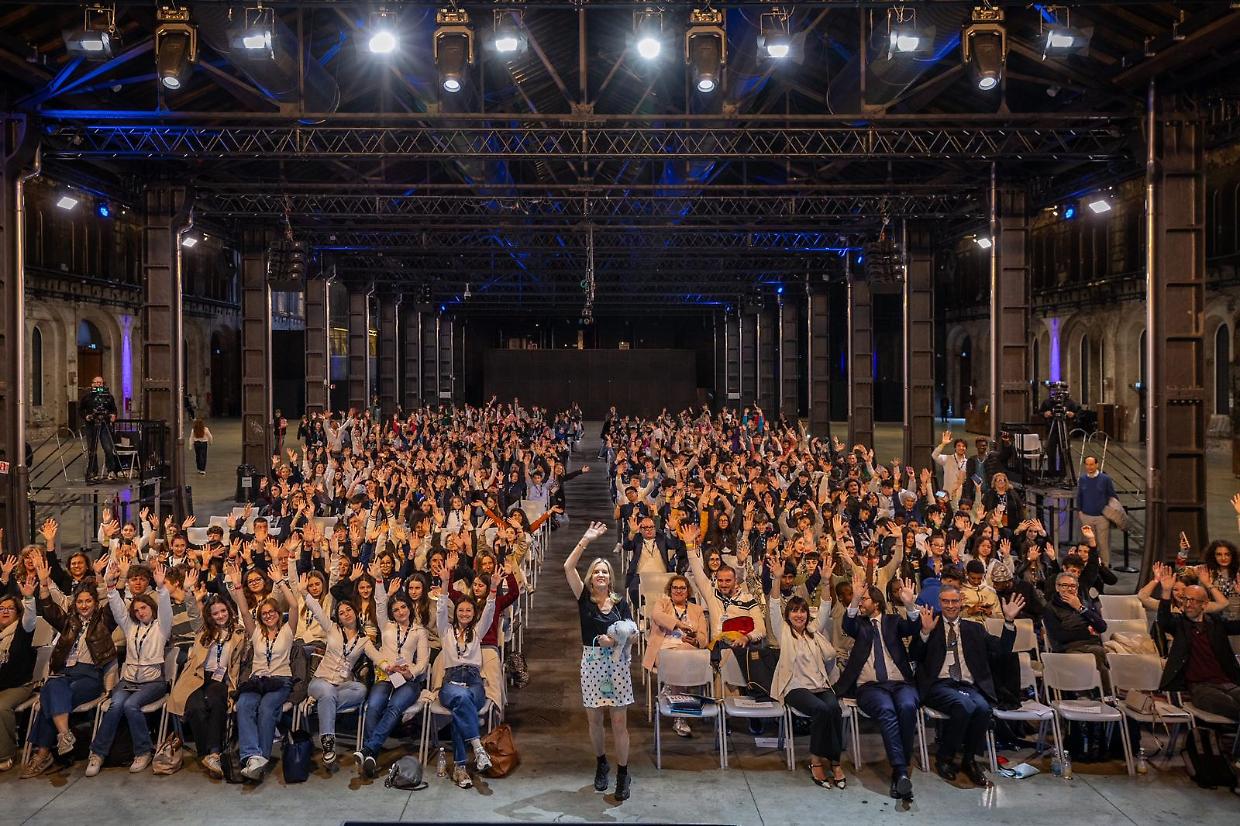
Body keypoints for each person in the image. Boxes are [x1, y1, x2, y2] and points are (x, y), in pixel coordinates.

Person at [910, 583, 1023, 788]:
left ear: (961, 602)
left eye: (954, 601)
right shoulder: (929, 624)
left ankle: (969, 760)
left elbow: (1002, 650)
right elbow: (914, 655)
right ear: (939, 602)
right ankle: (945, 757)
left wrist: (1008, 621)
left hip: (967, 685)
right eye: (946, 601)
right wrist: (925, 633)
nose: (951, 606)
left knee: (982, 707)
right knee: (964, 705)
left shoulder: (975, 629)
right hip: (938, 684)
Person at [22, 557, 118, 778]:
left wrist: (114, 580)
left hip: (90, 676)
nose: (84, 605)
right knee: (52, 689)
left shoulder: (103, 622)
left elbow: (115, 608)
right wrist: (44, 584)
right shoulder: (69, 623)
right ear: (75, 604)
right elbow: (48, 610)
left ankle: (42, 754)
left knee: (49, 697)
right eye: (80, 602)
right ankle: (65, 735)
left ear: (95, 603)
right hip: (65, 674)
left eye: (88, 601)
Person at [835, 570, 921, 801]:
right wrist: (854, 599)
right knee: (886, 710)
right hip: (870, 687)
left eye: (864, 600)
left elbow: (914, 628)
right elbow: (847, 623)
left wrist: (911, 605)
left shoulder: (893, 621)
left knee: (907, 707)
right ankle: (901, 772)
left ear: (877, 603)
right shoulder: (859, 625)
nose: (861, 603)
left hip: (900, 683)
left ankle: (899, 770)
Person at [565, 521, 635, 801]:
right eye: (597, 571)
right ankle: (601, 762)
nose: (601, 575)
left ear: (610, 577)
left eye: (605, 571)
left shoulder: (620, 602)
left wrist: (617, 639)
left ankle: (623, 772)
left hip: (616, 664)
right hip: (592, 663)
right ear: (591, 577)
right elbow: (568, 568)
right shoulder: (584, 597)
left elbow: (631, 635)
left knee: (619, 723)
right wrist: (586, 539)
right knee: (595, 721)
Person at [84, 561, 174, 776]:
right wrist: (111, 588)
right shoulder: (130, 626)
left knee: (131, 706)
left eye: (144, 608)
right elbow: (117, 610)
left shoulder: (161, 628)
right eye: (137, 609)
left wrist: (162, 589)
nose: (141, 612)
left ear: (151, 608)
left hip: (153, 682)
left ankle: (143, 751)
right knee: (115, 706)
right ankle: (98, 753)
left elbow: (165, 610)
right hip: (129, 681)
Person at [293, 558, 384, 768]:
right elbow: (316, 609)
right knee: (325, 691)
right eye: (341, 613)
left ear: (355, 613)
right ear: (338, 617)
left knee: (360, 690)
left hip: (342, 685)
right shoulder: (331, 628)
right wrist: (305, 593)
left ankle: (319, 706)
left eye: (348, 610)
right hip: (320, 681)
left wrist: (389, 666)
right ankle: (328, 744)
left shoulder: (362, 640)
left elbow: (377, 657)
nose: (345, 614)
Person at [768, 569, 848, 789]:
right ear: (788, 615)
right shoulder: (782, 631)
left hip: (820, 685)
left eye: (802, 611)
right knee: (821, 710)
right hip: (795, 688)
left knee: (834, 710)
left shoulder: (815, 631)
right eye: (794, 611)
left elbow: (824, 605)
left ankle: (835, 762)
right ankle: (816, 761)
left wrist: (824, 581)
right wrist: (776, 578)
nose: (799, 615)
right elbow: (774, 605)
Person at [167, 587, 248, 778]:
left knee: (217, 701)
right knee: (195, 707)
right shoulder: (202, 631)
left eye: (223, 611)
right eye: (215, 613)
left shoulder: (238, 633)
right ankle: (207, 755)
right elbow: (194, 612)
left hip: (221, 679)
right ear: (209, 616)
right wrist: (188, 592)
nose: (220, 616)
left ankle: (213, 753)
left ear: (229, 611)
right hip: (198, 677)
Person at [231, 561, 300, 781]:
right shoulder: (256, 633)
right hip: (257, 680)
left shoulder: (288, 631)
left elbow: (295, 606)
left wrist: (280, 580)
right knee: (244, 704)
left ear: (278, 614)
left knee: (267, 707)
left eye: (272, 612)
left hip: (280, 680)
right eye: (264, 613)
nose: (268, 615)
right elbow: (243, 610)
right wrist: (238, 587)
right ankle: (252, 756)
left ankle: (262, 756)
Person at [436, 549, 498, 790]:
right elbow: (441, 608)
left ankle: (460, 768)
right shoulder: (446, 632)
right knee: (461, 699)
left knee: (462, 708)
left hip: (474, 681)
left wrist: (492, 589)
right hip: (450, 683)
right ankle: (478, 748)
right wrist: (444, 581)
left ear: (474, 614)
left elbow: (490, 612)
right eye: (461, 610)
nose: (464, 613)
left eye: (468, 611)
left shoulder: (478, 633)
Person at [355, 586, 430, 778]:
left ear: (410, 607)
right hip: (386, 675)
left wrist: (409, 673)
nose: (400, 612)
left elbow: (423, 661)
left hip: (409, 680)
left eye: (403, 607)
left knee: (394, 707)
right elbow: (380, 604)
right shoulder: (386, 625)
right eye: (395, 609)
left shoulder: (419, 630)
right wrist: (379, 581)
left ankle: (369, 749)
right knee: (373, 706)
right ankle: (371, 755)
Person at [1155, 566, 1240, 718]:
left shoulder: (1216, 623)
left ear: (1204, 604)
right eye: (1185, 600)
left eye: (1192, 601)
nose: (1187, 604)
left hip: (1228, 683)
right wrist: (1166, 592)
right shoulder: (1179, 624)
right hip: (1201, 687)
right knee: (1230, 707)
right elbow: (1164, 620)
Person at [642, 574, 707, 738]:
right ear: (669, 590)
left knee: (683, 655)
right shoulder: (662, 604)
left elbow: (703, 638)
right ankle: (680, 717)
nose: (678, 591)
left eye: (682, 588)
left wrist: (694, 640)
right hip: (662, 650)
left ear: (688, 591)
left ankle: (671, 692)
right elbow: (657, 616)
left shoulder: (697, 610)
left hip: (687, 651)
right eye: (675, 588)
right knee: (681, 661)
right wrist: (679, 625)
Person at [0, 574, 39, 773]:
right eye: (1, 608)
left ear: (18, 612)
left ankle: (5, 754)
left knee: (0, 707)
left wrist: (29, 598)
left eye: (10, 608)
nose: (5, 611)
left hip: (19, 685)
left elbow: (31, 618)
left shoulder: (22, 630)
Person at [1076, 456, 1117, 567]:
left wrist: (1110, 513)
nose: (1089, 467)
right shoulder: (1082, 479)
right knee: (1086, 543)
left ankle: (1105, 566)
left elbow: (1112, 496)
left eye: (1092, 464)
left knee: (1103, 544)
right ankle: (1086, 565)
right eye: (1087, 464)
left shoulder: (1105, 479)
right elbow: (1079, 496)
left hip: (1101, 518)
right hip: (1086, 516)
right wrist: (1080, 511)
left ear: (1097, 465)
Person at [80, 375, 121, 483]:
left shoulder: (108, 397)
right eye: (96, 382)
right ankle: (93, 472)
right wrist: (86, 416)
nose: (98, 385)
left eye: (101, 383)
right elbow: (80, 410)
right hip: (91, 425)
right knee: (92, 449)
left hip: (104, 424)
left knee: (108, 448)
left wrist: (113, 415)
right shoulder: (87, 397)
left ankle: (111, 471)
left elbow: (113, 409)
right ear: (92, 384)